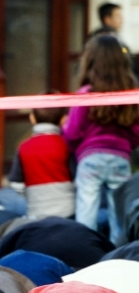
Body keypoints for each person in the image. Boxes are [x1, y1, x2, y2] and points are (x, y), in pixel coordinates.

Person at [64, 35, 139, 242]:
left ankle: (84, 250)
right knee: (119, 216)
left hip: (90, 159)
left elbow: (72, 132)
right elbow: (136, 133)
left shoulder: (86, 94)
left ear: (90, 61)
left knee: (86, 211)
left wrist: (76, 148)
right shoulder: (130, 95)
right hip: (120, 159)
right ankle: (118, 255)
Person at [10, 101, 74, 218]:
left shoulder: (23, 147)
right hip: (68, 211)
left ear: (32, 118)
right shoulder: (67, 145)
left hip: (36, 212)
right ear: (64, 119)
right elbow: (78, 179)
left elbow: (16, 183)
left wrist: (33, 196)